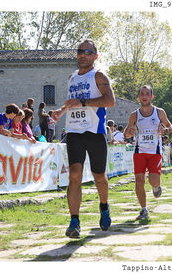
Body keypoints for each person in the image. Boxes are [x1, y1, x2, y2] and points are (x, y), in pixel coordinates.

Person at [51, 39, 115, 238]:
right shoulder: (71, 77)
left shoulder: (98, 76)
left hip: (94, 131)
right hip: (74, 131)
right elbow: (73, 102)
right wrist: (61, 111)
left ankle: (104, 206)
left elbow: (110, 101)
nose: (82, 54)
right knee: (74, 175)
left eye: (87, 51)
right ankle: (74, 221)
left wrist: (83, 102)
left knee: (99, 177)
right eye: (80, 51)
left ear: (95, 56)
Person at [124, 85, 172, 220]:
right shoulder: (134, 115)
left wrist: (165, 130)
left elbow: (170, 126)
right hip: (139, 151)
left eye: (147, 94)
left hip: (155, 152)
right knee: (139, 180)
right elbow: (126, 133)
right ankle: (144, 209)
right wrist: (129, 133)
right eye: (142, 94)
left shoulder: (159, 112)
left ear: (151, 97)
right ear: (139, 97)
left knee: (153, 180)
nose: (144, 96)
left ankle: (156, 187)